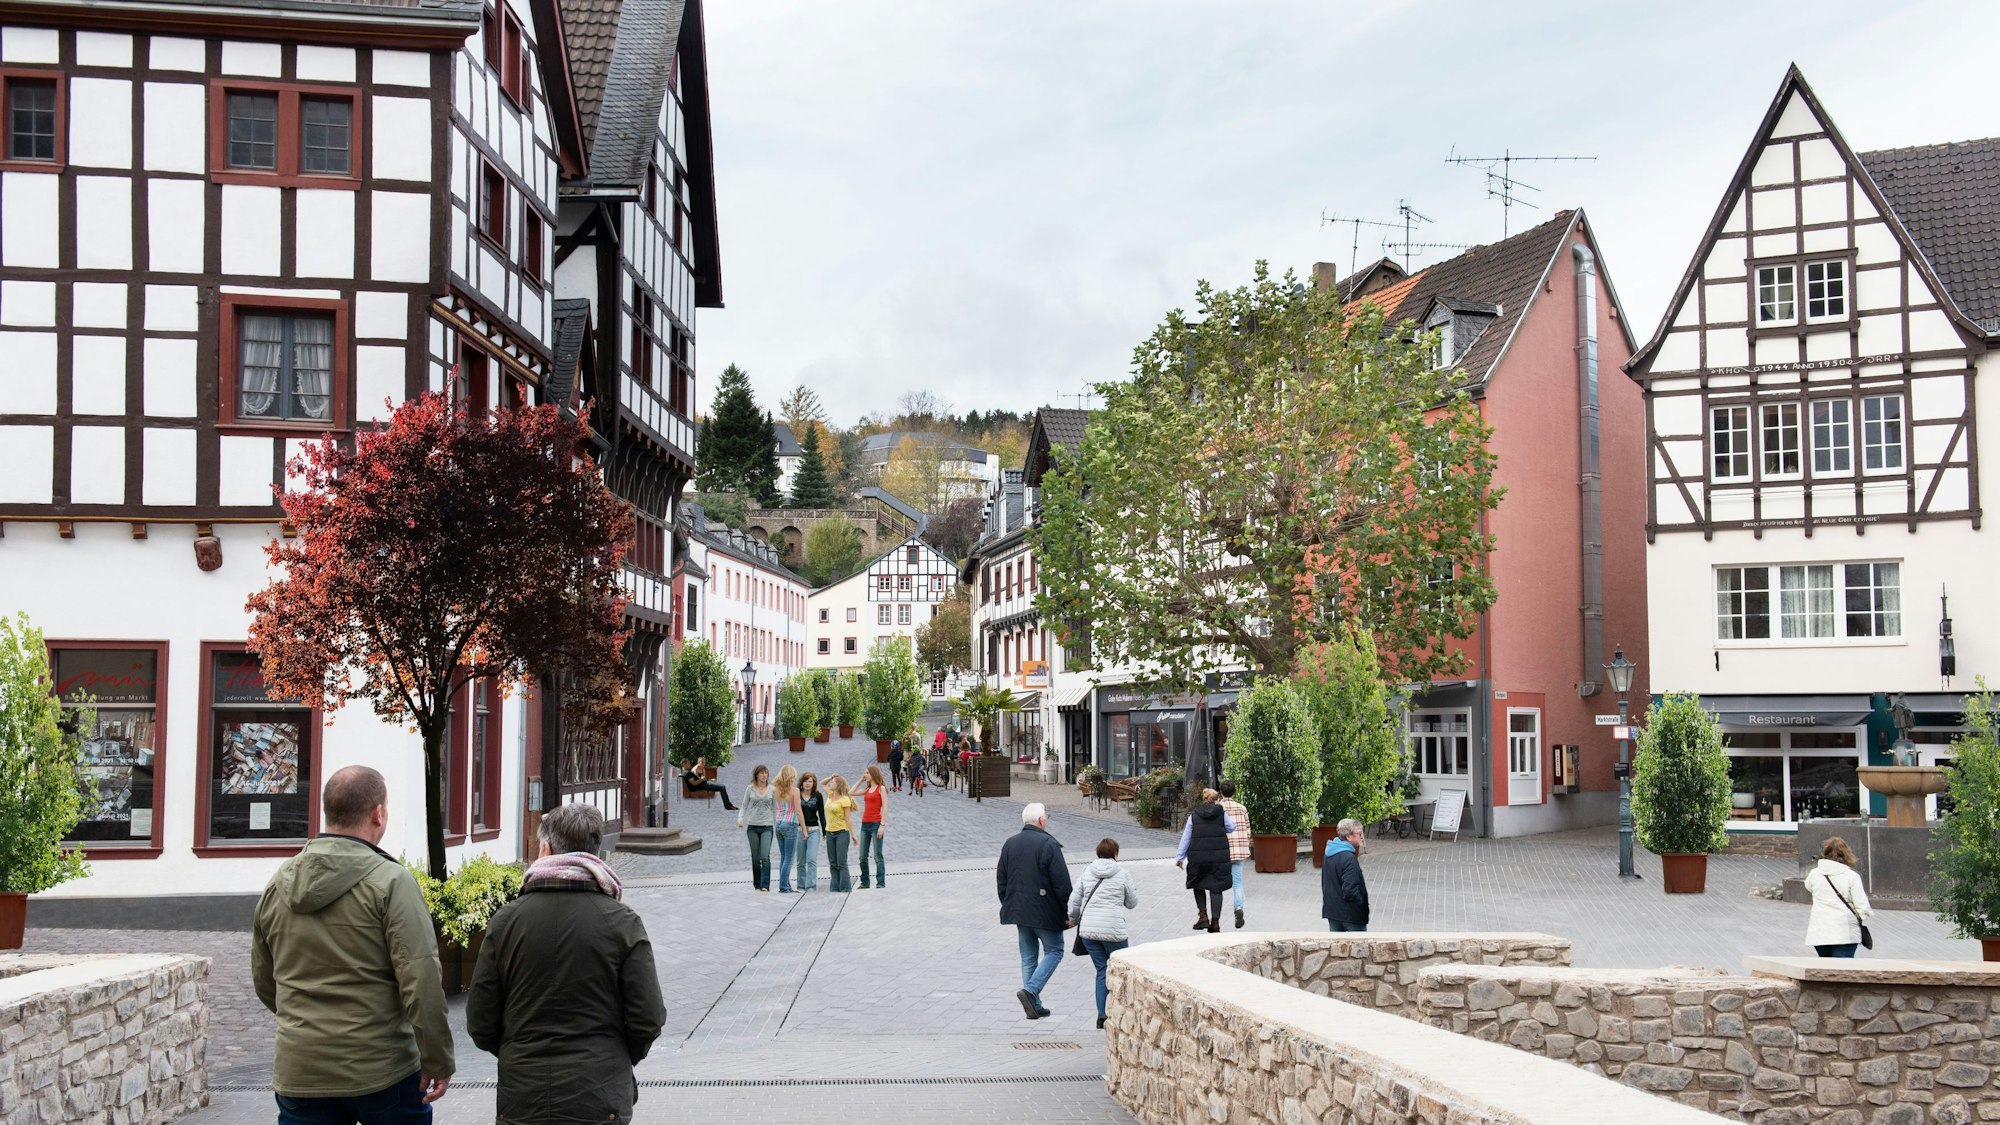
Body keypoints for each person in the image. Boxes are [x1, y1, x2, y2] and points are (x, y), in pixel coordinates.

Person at [252, 765, 454, 1123]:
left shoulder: (279, 882)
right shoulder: (391, 881)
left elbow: (265, 979)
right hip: (382, 1067)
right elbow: (420, 977)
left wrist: (306, 1025)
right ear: (378, 813)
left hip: (301, 1068)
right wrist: (437, 1058)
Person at [466, 804, 664, 1124]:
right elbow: (648, 1018)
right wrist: (616, 1057)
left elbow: (480, 1021)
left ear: (546, 849)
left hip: (523, 1098)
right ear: (596, 853)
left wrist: (518, 1054)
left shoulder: (506, 922)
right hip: (600, 1097)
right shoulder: (623, 923)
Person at [996, 801, 1072, 1020]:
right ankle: (1031, 991)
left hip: (1019, 910)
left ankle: (1034, 1005)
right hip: (1044, 910)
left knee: (1028, 957)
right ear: (1041, 820)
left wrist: (1008, 902)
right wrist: (1068, 912)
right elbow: (1062, 884)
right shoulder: (1049, 844)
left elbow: (1002, 879)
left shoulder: (1010, 843)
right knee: (1055, 950)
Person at [1069, 837, 1139, 1030]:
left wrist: (1072, 919)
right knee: (1123, 970)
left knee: (1102, 971)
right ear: (1115, 854)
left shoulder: (1086, 871)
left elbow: (1075, 900)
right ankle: (1124, 1013)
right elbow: (1132, 903)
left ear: (1097, 853)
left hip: (1089, 932)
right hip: (1113, 931)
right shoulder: (1122, 873)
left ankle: (1102, 1015)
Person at [1176, 788, 1235, 933]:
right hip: (1218, 858)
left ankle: (1203, 916)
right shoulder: (1221, 813)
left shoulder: (1194, 815)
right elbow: (1231, 827)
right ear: (1216, 800)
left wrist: (1180, 857)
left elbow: (1186, 837)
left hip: (1198, 857)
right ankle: (1215, 922)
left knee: (1198, 883)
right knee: (1216, 888)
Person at [1805, 835, 1873, 957]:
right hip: (1844, 932)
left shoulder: (1814, 874)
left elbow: (1809, 887)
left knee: (1825, 969)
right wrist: (1862, 916)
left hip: (1819, 931)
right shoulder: (1851, 876)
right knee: (1843, 969)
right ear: (1846, 854)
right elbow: (1862, 906)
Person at [1321, 818, 1370, 932]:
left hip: (1333, 912)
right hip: (1351, 915)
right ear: (1349, 837)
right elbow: (1350, 890)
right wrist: (1361, 906)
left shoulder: (1329, 852)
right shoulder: (1348, 858)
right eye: (1359, 834)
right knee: (1360, 947)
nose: (1362, 836)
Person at [1215, 779, 1251, 929]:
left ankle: (1216, 916)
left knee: (1218, 883)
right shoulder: (1242, 808)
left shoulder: (1217, 809)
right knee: (1238, 882)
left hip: (1223, 851)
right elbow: (1248, 831)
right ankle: (1238, 908)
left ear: (1221, 792)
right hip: (1239, 851)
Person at [737, 765, 775, 892]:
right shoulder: (750, 789)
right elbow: (744, 805)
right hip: (752, 826)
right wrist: (740, 818)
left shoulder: (772, 789)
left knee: (765, 856)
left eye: (766, 773)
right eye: (762, 773)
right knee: (755, 857)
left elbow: (775, 808)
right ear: (756, 775)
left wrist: (779, 822)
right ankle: (757, 884)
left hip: (767, 826)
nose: (764, 775)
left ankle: (765, 885)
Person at [855, 764, 889, 888]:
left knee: (877, 855)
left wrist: (882, 825)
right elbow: (850, 792)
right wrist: (860, 779)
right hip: (865, 825)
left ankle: (880, 882)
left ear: (873, 774)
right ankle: (865, 882)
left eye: (867, 773)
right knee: (862, 856)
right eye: (864, 773)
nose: (865, 775)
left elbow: (885, 807)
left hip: (876, 824)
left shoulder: (881, 789)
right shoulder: (867, 789)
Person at [823, 774, 857, 893]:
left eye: (832, 782)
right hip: (829, 833)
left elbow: (848, 819)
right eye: (831, 782)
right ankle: (834, 887)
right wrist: (831, 776)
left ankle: (845, 888)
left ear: (838, 785)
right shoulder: (830, 795)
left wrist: (853, 835)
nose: (830, 784)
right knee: (832, 862)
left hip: (842, 833)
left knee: (841, 862)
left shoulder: (845, 799)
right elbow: (822, 783)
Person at [773, 765, 801, 894]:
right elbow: (799, 811)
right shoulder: (794, 791)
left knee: (784, 857)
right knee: (789, 858)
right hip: (790, 824)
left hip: (778, 824)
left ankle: (787, 885)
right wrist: (804, 829)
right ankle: (783, 887)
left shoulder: (776, 790)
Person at [796, 772, 824, 892]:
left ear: (814, 783)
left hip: (814, 831)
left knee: (811, 859)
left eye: (810, 781)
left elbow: (822, 814)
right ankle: (801, 885)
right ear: (802, 782)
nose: (808, 783)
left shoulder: (818, 796)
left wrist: (825, 831)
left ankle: (811, 885)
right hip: (799, 831)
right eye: (806, 781)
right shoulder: (796, 794)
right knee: (800, 860)